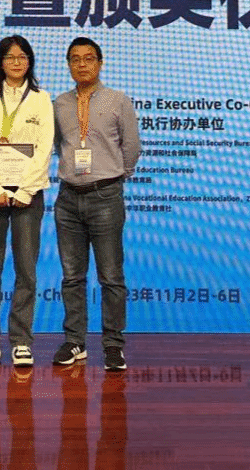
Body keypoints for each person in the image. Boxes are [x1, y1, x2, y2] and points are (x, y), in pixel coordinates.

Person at [51, 37, 141, 371]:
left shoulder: (118, 100)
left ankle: (113, 345)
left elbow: (131, 146)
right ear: (68, 65)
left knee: (111, 276)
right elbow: (57, 145)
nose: (82, 64)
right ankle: (74, 341)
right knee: (71, 276)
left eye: (89, 58)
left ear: (100, 63)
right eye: (75, 59)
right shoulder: (59, 104)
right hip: (67, 198)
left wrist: (114, 176)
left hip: (106, 196)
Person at [0, 35, 54, 368]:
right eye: (9, 57)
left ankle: (21, 342)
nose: (16, 62)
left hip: (28, 195)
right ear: (0, 63)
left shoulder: (41, 99)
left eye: (22, 57)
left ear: (30, 61)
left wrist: (25, 190)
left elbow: (45, 148)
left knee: (26, 270)